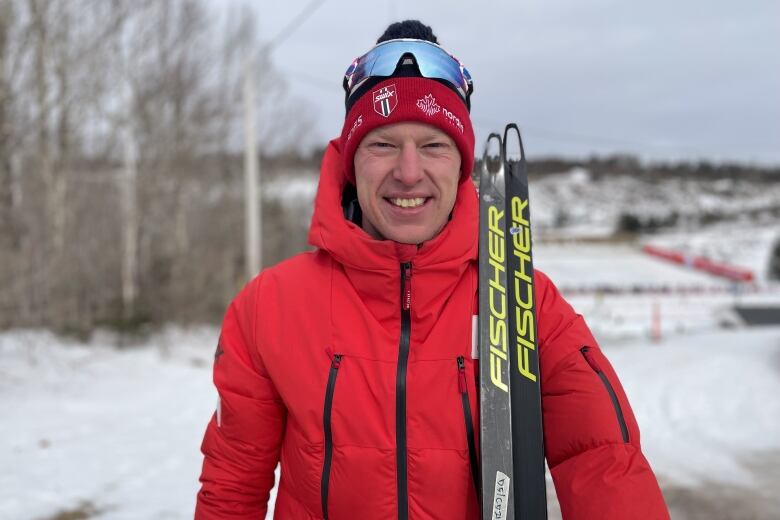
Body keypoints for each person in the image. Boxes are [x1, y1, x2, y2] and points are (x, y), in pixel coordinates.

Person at [195, 20, 669, 520]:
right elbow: (233, 486)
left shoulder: (523, 303)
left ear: (461, 164)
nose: (408, 171)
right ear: (351, 162)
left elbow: (604, 461)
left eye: (433, 145)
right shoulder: (271, 306)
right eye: (382, 145)